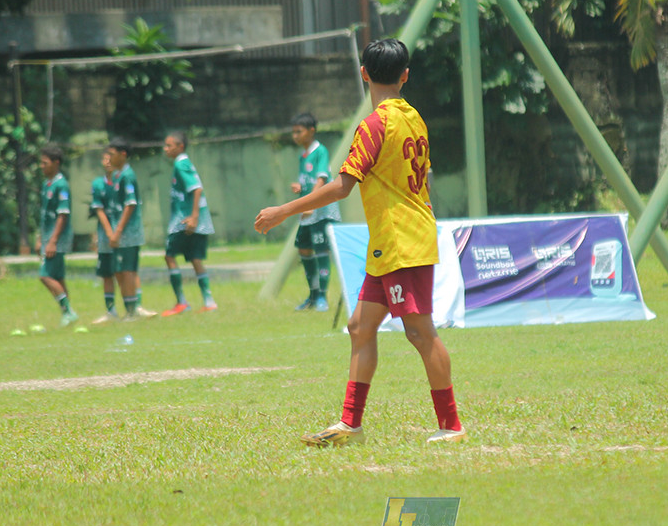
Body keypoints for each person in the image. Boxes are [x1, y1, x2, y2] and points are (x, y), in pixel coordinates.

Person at [255, 38, 466, 446]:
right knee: (359, 325)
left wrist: (282, 210)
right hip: (393, 240)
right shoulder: (414, 119)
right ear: (405, 76)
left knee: (421, 333)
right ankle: (351, 426)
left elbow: (341, 187)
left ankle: (452, 425)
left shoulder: (375, 124)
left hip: (403, 240)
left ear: (364, 74)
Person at [161, 131, 217, 315]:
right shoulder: (183, 163)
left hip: (184, 220)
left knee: (170, 256)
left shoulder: (181, 164)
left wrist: (193, 217)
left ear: (180, 147)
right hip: (192, 219)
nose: (165, 149)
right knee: (195, 259)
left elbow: (196, 188)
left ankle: (182, 302)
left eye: (169, 145)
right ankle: (209, 302)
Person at [289, 112, 341, 312]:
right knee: (304, 249)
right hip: (307, 212)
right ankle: (312, 294)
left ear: (311, 131)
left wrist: (310, 203)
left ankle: (322, 298)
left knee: (321, 251)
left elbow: (322, 179)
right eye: (293, 132)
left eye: (298, 131)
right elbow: (309, 181)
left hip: (321, 212)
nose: (295, 136)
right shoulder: (303, 155)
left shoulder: (320, 151)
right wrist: (299, 188)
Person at [107, 138, 157, 320]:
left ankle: (133, 310)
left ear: (123, 155)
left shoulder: (128, 176)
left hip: (128, 233)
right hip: (120, 233)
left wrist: (118, 231)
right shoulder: (118, 175)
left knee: (128, 270)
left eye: (112, 154)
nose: (109, 158)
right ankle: (130, 308)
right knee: (121, 270)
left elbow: (130, 205)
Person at [37, 143, 78, 327]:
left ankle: (68, 310)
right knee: (59, 277)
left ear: (56, 163)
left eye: (45, 163)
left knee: (45, 276)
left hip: (57, 239)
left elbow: (63, 215)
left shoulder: (61, 185)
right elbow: (46, 214)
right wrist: (40, 238)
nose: (42, 166)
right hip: (48, 237)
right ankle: (67, 315)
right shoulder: (47, 184)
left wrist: (52, 241)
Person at [89, 149, 118, 323]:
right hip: (106, 235)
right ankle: (110, 310)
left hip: (123, 235)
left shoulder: (124, 180)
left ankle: (134, 307)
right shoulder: (98, 184)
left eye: (110, 158)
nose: (107, 161)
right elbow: (98, 209)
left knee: (126, 271)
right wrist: (108, 231)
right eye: (104, 158)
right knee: (107, 272)